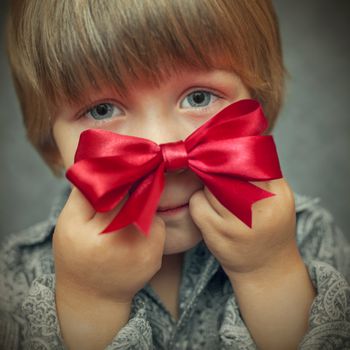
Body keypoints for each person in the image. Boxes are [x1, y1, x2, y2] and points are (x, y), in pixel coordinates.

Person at [1, 0, 349, 349]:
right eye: (102, 109)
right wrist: (90, 302)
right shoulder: (15, 275)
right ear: (51, 143)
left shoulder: (309, 238)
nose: (162, 142)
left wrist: (270, 271)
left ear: (259, 104)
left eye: (198, 97)